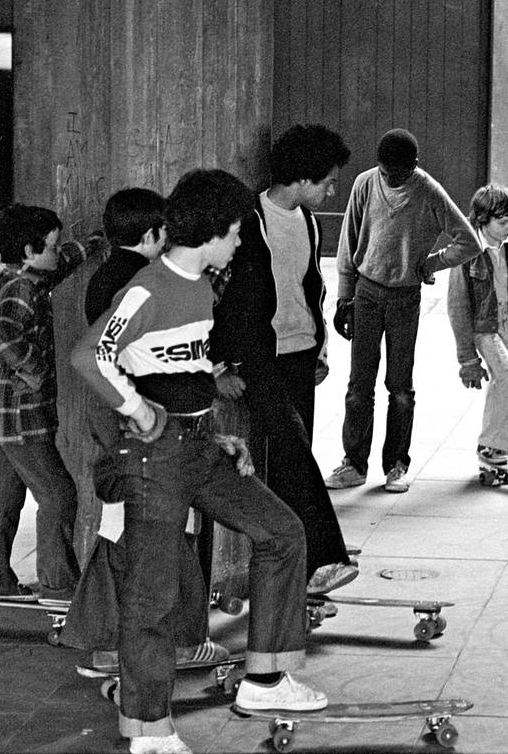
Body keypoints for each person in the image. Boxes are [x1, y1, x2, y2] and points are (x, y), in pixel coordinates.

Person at [72, 169, 326, 754]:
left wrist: (214, 433)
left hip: (199, 449)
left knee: (283, 533)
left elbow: (184, 371)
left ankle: (263, 679)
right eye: (237, 233)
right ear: (214, 231)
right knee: (153, 595)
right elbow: (90, 357)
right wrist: (137, 409)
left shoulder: (201, 288)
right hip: (153, 461)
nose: (240, 243)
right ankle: (148, 729)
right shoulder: (146, 288)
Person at [61, 187, 228, 671]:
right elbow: (106, 357)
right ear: (154, 234)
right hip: (141, 424)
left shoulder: (107, 275)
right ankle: (159, 641)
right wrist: (144, 409)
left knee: (130, 530)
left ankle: (113, 643)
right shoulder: (145, 281)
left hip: (123, 419)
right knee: (155, 532)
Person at [211, 124, 358, 594]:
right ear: (301, 178)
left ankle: (291, 575)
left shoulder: (309, 222)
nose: (333, 189)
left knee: (295, 462)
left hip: (300, 355)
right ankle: (324, 557)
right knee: (293, 450)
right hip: (256, 359)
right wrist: (219, 366)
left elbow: (311, 287)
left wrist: (320, 347)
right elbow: (220, 300)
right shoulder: (248, 219)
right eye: (328, 181)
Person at [325, 129, 482, 493]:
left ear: (414, 165)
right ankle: (354, 463)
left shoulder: (428, 190)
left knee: (400, 387)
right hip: (365, 294)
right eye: (386, 171)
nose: (391, 178)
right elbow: (348, 244)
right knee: (358, 386)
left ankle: (396, 465)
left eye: (399, 173)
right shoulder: (366, 184)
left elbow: (469, 241)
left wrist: (431, 263)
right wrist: (343, 296)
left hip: (404, 299)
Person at [0, 205, 100, 604]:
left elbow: (62, 262)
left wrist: (89, 247)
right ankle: (57, 586)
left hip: (0, 414)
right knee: (58, 495)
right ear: (31, 250)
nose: (57, 253)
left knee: (1, 498)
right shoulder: (20, 286)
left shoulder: (27, 273)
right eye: (51, 246)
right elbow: (1, 333)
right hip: (20, 413)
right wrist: (33, 367)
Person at [447, 184, 508, 465]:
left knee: (505, 381)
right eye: (502, 222)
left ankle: (501, 446)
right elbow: (457, 307)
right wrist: (468, 360)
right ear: (483, 219)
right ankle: (489, 446)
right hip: (484, 329)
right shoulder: (467, 251)